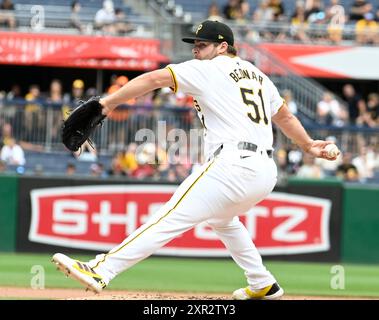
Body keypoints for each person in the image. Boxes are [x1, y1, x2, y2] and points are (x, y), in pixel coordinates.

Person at [52, 20, 339, 300]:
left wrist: (107, 103)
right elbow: (284, 117)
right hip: (264, 172)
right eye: (195, 45)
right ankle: (262, 282)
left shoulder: (209, 69)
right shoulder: (258, 75)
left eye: (202, 45)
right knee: (223, 220)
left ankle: (101, 270)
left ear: (222, 46)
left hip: (233, 165)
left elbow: (154, 79)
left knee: (169, 217)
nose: (196, 50)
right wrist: (309, 145)